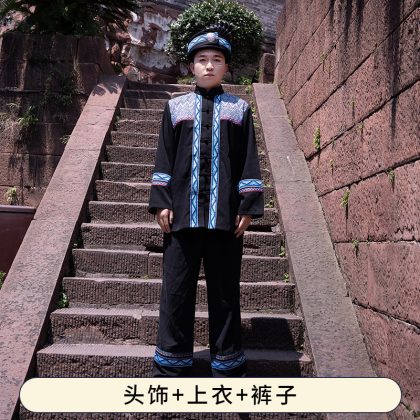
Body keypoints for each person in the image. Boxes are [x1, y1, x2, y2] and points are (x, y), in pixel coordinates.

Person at [148, 23, 264, 378]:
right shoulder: (175, 108)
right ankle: (171, 367)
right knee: (176, 292)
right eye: (202, 59)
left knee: (225, 293)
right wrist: (162, 201)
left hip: (225, 219)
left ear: (226, 66)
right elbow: (165, 157)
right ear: (191, 66)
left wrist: (247, 206)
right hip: (181, 218)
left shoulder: (239, 110)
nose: (209, 65)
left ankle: (227, 366)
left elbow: (248, 159)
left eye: (216, 59)